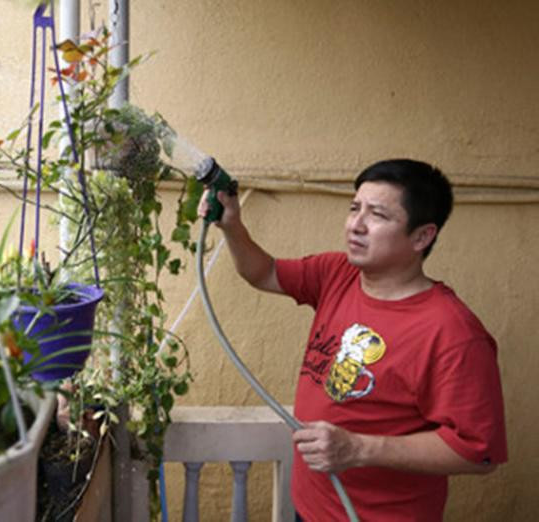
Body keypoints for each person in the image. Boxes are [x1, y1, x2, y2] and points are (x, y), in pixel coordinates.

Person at [199, 159, 507, 521]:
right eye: (353, 208)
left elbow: (478, 452)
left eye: (376, 215)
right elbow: (263, 272)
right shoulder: (337, 274)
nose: (355, 225)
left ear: (423, 236)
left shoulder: (452, 332)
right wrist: (232, 227)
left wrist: (359, 448)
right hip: (310, 508)